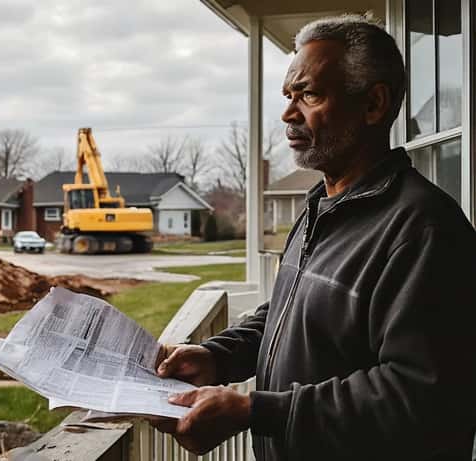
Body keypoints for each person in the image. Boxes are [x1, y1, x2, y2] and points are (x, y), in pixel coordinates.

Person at [152, 14, 476, 460]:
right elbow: (290, 311)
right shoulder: (320, 208)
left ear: (373, 105)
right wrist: (216, 357)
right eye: (289, 95)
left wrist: (256, 411)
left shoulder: (423, 228)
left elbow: (419, 394)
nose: (288, 113)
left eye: (309, 94)